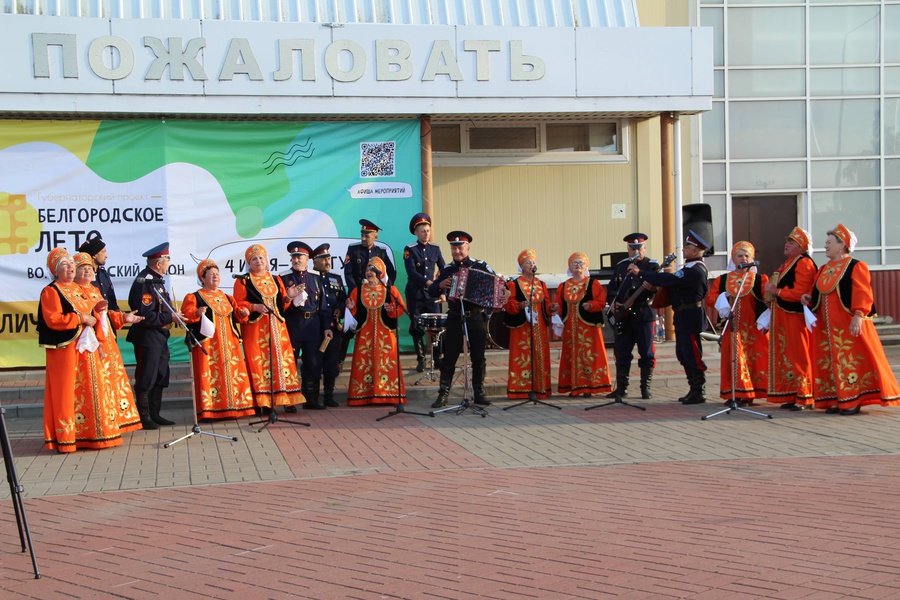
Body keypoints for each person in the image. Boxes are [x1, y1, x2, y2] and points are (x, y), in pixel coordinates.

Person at [801, 224, 900, 415]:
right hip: (827, 326)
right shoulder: (823, 269)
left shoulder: (856, 266)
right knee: (831, 360)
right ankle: (838, 398)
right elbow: (818, 292)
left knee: (851, 359)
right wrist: (809, 297)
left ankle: (853, 399)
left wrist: (858, 315)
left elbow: (863, 292)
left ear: (842, 245)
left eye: (829, 242)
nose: (825, 246)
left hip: (848, 323)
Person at [428, 231, 509, 408]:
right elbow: (431, 289)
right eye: (453, 248)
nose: (457, 251)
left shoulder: (480, 266)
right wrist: (440, 285)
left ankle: (479, 393)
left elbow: (500, 283)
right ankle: (443, 394)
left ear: (468, 248)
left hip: (476, 316)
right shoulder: (447, 270)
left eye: (460, 247)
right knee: (449, 356)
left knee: (479, 357)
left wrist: (506, 292)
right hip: (455, 316)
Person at [633, 230, 710, 404]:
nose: (683, 250)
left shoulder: (695, 270)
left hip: (690, 315)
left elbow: (668, 279)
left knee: (692, 353)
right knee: (682, 353)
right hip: (683, 315)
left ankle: (699, 390)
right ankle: (693, 388)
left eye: (687, 247)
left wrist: (641, 273)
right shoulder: (689, 268)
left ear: (695, 251)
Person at [76, 237, 144, 431]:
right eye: (103, 251)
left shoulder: (102, 277)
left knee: (112, 378)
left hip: (107, 332)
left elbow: (109, 306)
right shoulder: (75, 290)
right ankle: (101, 421)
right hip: (89, 340)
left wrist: (122, 317)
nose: (106, 255)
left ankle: (117, 417)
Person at [233, 243, 305, 412]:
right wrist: (253, 307)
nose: (258, 261)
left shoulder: (275, 279)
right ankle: (263, 403)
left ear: (266, 261)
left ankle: (287, 398)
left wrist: (289, 297)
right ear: (249, 263)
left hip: (278, 327)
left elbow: (281, 305)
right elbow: (238, 304)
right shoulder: (243, 280)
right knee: (259, 363)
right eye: (254, 259)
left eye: (260, 258)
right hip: (256, 328)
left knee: (282, 362)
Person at [181, 259, 256, 420]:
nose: (215, 277)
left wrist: (243, 313)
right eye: (211, 274)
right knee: (210, 374)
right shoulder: (194, 297)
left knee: (233, 374)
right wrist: (196, 313)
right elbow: (186, 315)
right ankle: (212, 410)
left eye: (217, 274)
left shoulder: (228, 297)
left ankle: (235, 407)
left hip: (230, 343)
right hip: (208, 344)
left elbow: (237, 315)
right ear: (202, 278)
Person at [37, 248, 96, 452]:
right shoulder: (51, 291)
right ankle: (65, 438)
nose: (71, 266)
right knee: (64, 391)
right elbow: (53, 319)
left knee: (81, 391)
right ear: (55, 270)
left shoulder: (79, 288)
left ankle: (84, 434)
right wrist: (80, 318)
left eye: (71, 263)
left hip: (82, 347)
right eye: (65, 264)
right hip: (63, 348)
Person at [70, 252, 125, 449]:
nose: (87, 271)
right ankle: (90, 429)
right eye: (82, 268)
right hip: (89, 345)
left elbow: (106, 316)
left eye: (89, 268)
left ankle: (110, 423)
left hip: (106, 341)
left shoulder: (94, 290)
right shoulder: (73, 291)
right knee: (92, 387)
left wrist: (124, 318)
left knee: (108, 385)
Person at [706, 242, 769, 406]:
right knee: (734, 359)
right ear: (733, 259)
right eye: (740, 256)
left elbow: (767, 299)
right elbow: (711, 299)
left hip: (753, 328)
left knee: (752, 360)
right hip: (732, 328)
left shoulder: (759, 279)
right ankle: (735, 393)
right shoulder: (723, 279)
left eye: (747, 255)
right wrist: (723, 300)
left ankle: (751, 393)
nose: (743, 258)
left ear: (752, 258)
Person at [126, 242, 179, 429]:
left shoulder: (157, 281)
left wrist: (175, 316)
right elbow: (144, 314)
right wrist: (169, 316)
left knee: (161, 374)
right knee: (147, 375)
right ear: (158, 263)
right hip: (148, 336)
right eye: (167, 260)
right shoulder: (145, 282)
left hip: (161, 335)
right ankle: (144, 416)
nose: (169, 263)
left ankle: (155, 414)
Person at [764, 227, 817, 410]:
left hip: (795, 316)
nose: (787, 244)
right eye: (787, 241)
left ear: (802, 247)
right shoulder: (789, 262)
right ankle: (792, 393)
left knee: (799, 354)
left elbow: (800, 292)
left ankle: (805, 395)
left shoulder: (804, 263)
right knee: (787, 355)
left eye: (792, 242)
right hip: (784, 315)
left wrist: (776, 291)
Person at [345, 257, 407, 406]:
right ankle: (363, 395)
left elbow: (401, 309)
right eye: (367, 269)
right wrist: (351, 307)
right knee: (364, 362)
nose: (369, 272)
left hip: (385, 334)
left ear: (381, 272)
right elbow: (352, 314)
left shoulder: (390, 290)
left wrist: (391, 309)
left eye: (373, 269)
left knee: (386, 362)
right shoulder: (357, 290)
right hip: (364, 335)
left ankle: (388, 395)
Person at [606, 233, 659, 400]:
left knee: (647, 352)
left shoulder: (651, 265)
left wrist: (639, 274)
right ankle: (622, 388)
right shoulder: (621, 266)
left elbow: (657, 286)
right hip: (624, 316)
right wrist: (613, 303)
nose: (636, 252)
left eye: (639, 248)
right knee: (622, 353)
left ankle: (645, 388)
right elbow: (612, 289)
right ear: (628, 250)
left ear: (644, 248)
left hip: (644, 314)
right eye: (632, 249)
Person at [340, 219, 397, 367]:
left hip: (376, 296)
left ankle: (378, 359)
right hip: (358, 295)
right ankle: (339, 360)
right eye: (362, 235)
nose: (364, 238)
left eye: (367, 235)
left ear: (375, 236)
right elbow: (348, 273)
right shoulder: (353, 250)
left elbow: (391, 273)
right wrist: (355, 291)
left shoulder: (381, 252)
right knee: (350, 326)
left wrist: (385, 289)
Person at [557, 252, 612, 397]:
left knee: (589, 355)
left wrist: (591, 305)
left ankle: (589, 386)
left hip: (589, 327)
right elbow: (559, 305)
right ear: (569, 266)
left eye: (581, 263)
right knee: (572, 355)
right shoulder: (564, 286)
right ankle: (575, 386)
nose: (578, 266)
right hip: (571, 328)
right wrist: (554, 309)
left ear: (586, 266)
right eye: (575, 263)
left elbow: (601, 302)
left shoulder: (593, 283)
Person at [281, 241, 328, 410]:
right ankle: (290, 402)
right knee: (290, 364)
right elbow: (279, 305)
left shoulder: (315, 277)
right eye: (294, 257)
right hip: (293, 325)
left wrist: (326, 327)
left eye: (299, 257)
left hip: (313, 325)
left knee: (313, 363)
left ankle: (312, 400)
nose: (296, 260)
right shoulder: (283, 277)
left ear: (307, 259)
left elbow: (323, 306)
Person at [504, 249, 555, 400]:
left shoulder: (541, 284)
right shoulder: (515, 284)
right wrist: (519, 305)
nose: (532, 264)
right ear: (522, 266)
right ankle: (521, 389)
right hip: (522, 327)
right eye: (528, 262)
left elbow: (546, 303)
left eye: (533, 262)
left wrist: (551, 308)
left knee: (539, 354)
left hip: (539, 328)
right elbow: (508, 304)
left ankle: (540, 388)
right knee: (523, 355)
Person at [404, 212, 446, 372]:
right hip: (415, 294)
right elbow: (412, 272)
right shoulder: (410, 249)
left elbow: (444, 270)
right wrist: (429, 282)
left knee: (436, 327)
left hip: (432, 295)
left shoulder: (435, 248)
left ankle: (437, 358)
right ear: (416, 232)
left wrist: (443, 290)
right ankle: (421, 359)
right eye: (422, 231)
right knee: (416, 327)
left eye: (427, 230)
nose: (425, 233)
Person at [313, 243, 345, 408]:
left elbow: (343, 299)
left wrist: (340, 309)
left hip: (334, 327)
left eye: (329, 258)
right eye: (324, 259)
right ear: (315, 261)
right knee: (315, 362)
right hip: (316, 327)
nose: (327, 262)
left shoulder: (336, 278)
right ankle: (313, 397)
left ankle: (329, 395)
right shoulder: (311, 277)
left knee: (332, 362)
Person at [77, 234, 120, 312]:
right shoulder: (83, 277)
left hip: (109, 320)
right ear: (94, 255)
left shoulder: (104, 274)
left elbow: (113, 302)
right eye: (103, 252)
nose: (106, 256)